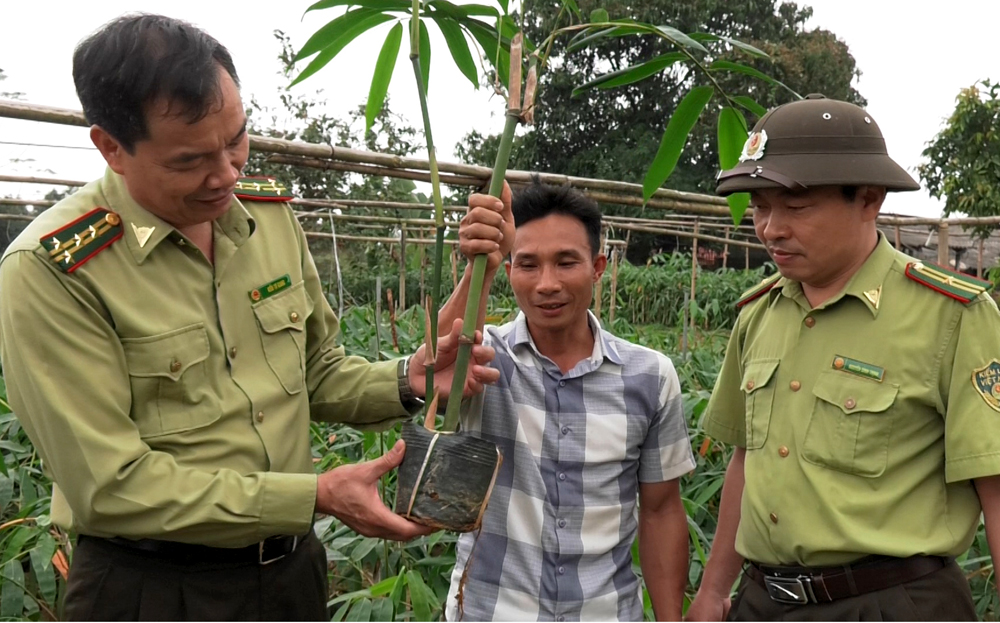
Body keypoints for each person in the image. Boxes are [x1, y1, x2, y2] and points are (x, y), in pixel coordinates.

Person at [0, 14, 498, 621]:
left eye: (236, 140)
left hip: (289, 576)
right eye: (189, 161)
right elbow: (110, 485)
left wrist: (408, 379)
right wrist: (315, 495)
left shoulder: (267, 218)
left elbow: (318, 371)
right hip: (153, 590)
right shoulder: (53, 270)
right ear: (111, 147)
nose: (227, 174)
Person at [685, 94, 1000, 621]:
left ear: (869, 200)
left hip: (892, 605)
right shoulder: (759, 315)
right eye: (760, 207)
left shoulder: (953, 318)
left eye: (796, 207)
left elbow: (994, 483)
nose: (771, 228)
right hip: (764, 603)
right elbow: (747, 461)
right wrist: (715, 591)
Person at [437, 181, 696, 621]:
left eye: (566, 262)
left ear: (598, 267)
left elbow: (660, 509)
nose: (547, 284)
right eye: (527, 264)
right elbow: (432, 368)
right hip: (492, 611)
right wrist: (480, 263)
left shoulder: (649, 376)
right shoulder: (483, 360)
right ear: (509, 270)